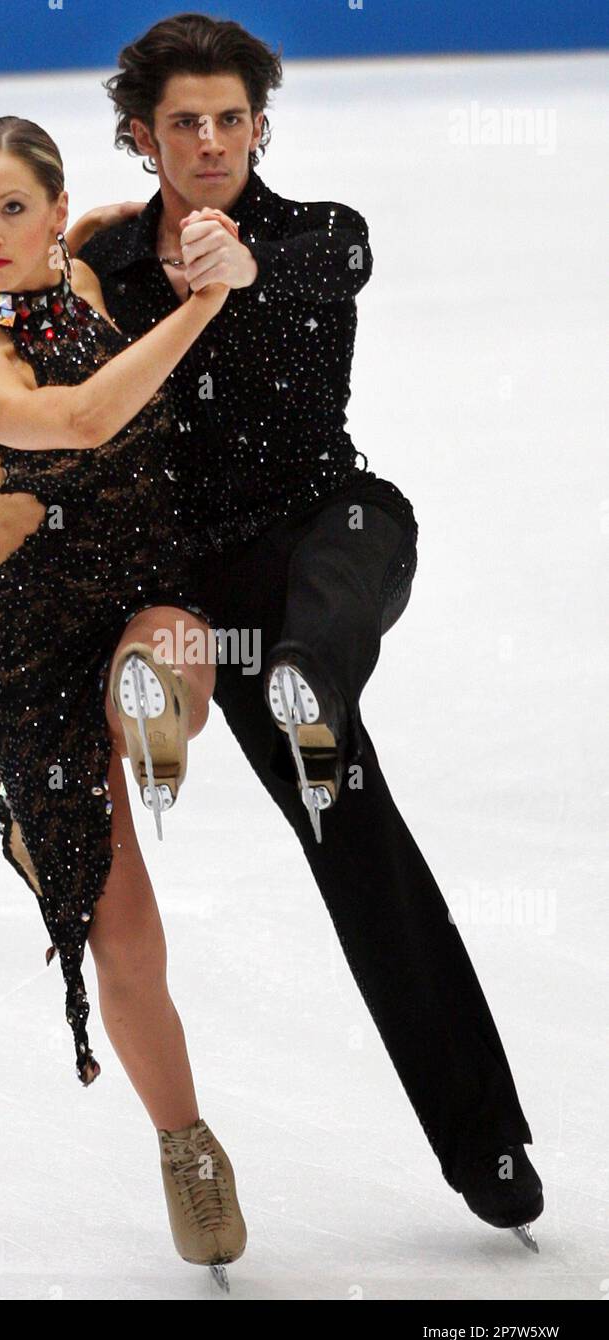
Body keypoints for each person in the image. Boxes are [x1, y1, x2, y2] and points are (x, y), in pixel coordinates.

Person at [68, 12, 543, 1246]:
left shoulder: (320, 234)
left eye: (232, 119)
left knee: (362, 533)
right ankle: (485, 1137)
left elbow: (318, 275)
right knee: (359, 848)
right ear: (142, 135)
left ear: (260, 125)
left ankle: (309, 684)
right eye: (186, 123)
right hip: (208, 593)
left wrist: (239, 269)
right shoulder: (109, 271)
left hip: (323, 533)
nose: (213, 140)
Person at [0, 116, 247, 1279]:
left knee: (170, 639)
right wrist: (200, 306)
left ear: (57, 210)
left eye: (12, 207)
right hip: (30, 649)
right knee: (122, 930)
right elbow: (79, 420)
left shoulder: (86, 260)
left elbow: (150, 215)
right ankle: (187, 1147)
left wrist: (203, 231)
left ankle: (153, 714)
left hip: (138, 601)